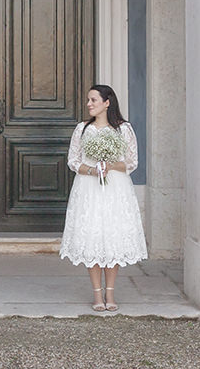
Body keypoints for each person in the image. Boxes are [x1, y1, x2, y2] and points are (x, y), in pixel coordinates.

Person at [59, 83, 147, 311]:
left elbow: (132, 161)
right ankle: (97, 295)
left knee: (113, 237)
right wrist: (91, 169)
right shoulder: (82, 129)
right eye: (88, 100)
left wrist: (110, 165)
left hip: (116, 189)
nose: (89, 104)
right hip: (88, 189)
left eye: (93, 100)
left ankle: (111, 294)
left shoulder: (123, 129)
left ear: (107, 103)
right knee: (93, 238)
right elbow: (73, 160)